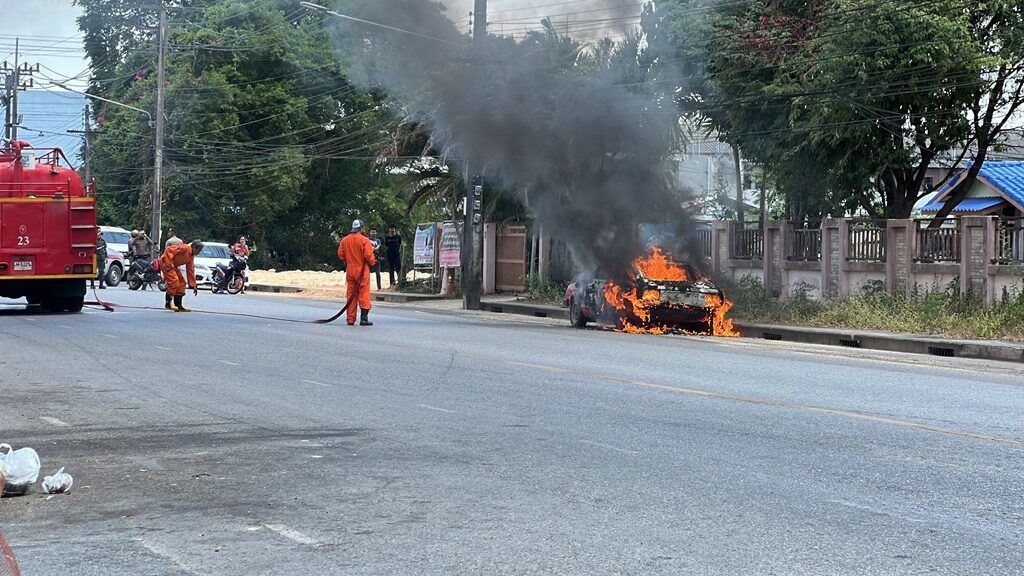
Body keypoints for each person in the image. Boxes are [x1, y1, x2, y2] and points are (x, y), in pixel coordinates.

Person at [337, 219, 376, 326]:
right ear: (361, 228)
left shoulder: (344, 240)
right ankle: (364, 319)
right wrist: (373, 262)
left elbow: (341, 254)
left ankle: (350, 319)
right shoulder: (364, 240)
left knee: (351, 295)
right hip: (362, 271)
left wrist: (349, 261)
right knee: (364, 294)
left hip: (350, 271)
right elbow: (369, 256)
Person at [160, 240, 203, 312]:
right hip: (166, 263)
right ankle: (168, 303)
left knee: (182, 283)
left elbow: (190, 270)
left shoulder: (191, 256)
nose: (199, 252)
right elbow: (169, 249)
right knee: (174, 281)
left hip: (173, 266)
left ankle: (178, 304)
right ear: (194, 247)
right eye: (199, 250)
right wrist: (169, 263)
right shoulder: (184, 248)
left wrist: (193, 285)